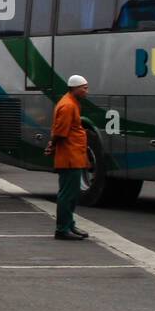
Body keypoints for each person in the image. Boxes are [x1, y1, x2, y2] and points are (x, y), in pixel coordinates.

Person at [47, 75, 90, 241]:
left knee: (72, 194)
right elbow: (60, 132)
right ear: (75, 88)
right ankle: (62, 229)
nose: (86, 91)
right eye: (84, 88)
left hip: (74, 155)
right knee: (67, 194)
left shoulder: (72, 103)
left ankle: (69, 224)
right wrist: (52, 145)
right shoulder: (67, 106)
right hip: (69, 156)